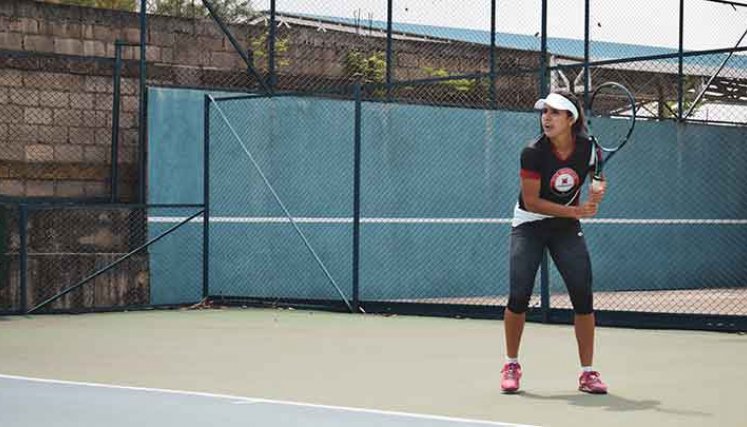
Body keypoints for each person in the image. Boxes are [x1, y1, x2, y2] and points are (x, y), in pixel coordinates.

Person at [500, 90, 608, 394]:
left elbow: (597, 177)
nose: (546, 117)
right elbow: (532, 202)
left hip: (564, 227)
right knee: (519, 294)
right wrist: (576, 210)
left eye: (554, 112)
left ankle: (588, 373)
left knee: (582, 294)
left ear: (570, 119)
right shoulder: (532, 152)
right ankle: (511, 364)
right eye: (544, 112)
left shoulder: (589, 149)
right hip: (529, 224)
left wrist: (598, 189)